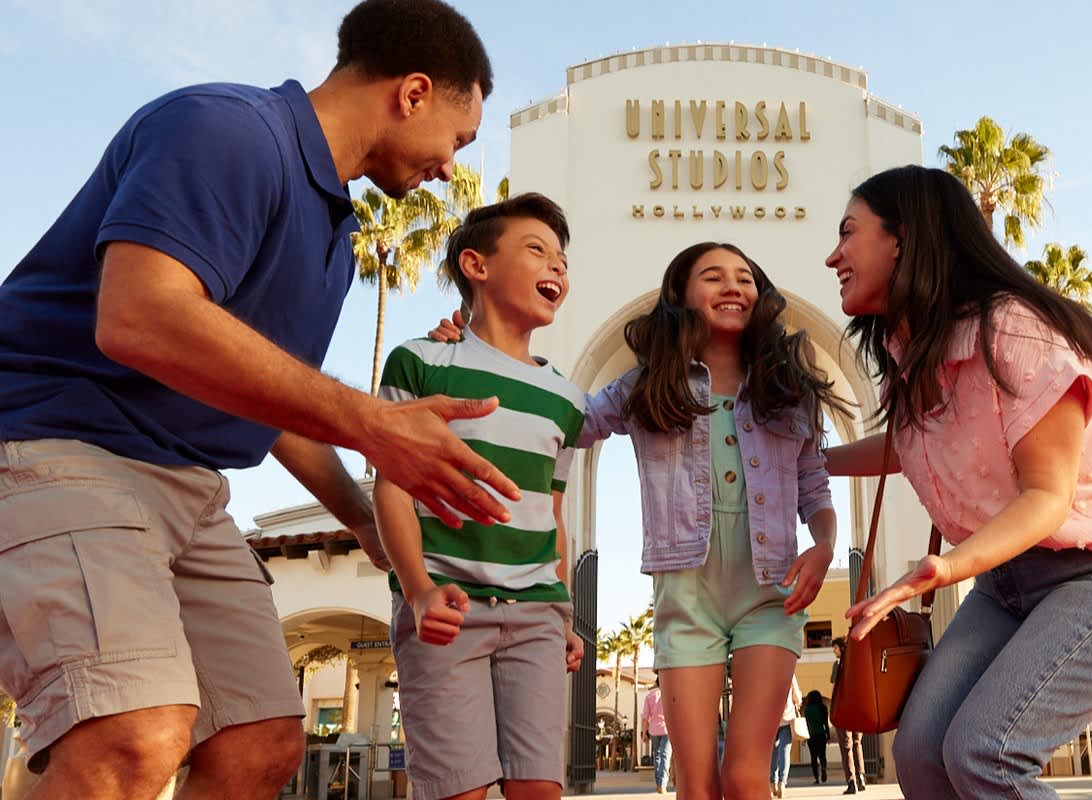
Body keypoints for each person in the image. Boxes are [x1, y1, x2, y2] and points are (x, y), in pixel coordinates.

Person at [0, 3, 517, 800]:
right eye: (461, 138)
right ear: (413, 92)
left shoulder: (335, 243)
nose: (452, 166)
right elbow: (139, 314)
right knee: (129, 732)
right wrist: (375, 425)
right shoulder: (225, 128)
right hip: (60, 444)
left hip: (192, 485)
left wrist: (365, 524)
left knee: (259, 742)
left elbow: (270, 400)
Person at [431, 241, 844, 800]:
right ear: (680, 296)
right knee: (695, 785)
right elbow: (565, 418)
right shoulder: (648, 385)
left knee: (747, 777)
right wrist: (473, 356)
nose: (733, 287)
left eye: (745, 278)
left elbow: (813, 484)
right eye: (714, 277)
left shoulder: (787, 390)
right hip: (686, 601)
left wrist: (823, 544)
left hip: (772, 596)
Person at [824, 164, 1092, 799]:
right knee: (920, 755)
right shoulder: (913, 355)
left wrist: (946, 568)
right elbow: (908, 446)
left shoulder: (1016, 331)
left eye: (849, 233)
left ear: (903, 238)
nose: (834, 256)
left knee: (986, 753)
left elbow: (1048, 498)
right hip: (1008, 584)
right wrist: (811, 461)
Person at [374, 193, 586, 800]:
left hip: (538, 619)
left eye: (563, 261)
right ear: (476, 265)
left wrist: (565, 614)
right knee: (456, 792)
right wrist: (416, 591)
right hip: (447, 611)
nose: (557, 269)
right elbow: (391, 487)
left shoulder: (565, 399)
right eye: (536, 250)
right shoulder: (419, 363)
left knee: (539, 790)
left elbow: (552, 511)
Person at [829, 638, 866, 794]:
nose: (834, 651)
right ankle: (861, 777)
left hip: (843, 708)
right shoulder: (858, 663)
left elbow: (834, 683)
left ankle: (851, 782)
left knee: (846, 745)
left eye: (835, 648)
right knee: (857, 743)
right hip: (858, 708)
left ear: (841, 649)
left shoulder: (838, 664)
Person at [769, 673, 802, 797]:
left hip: (771, 721)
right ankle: (783, 783)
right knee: (784, 752)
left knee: (772, 752)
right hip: (787, 718)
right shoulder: (789, 673)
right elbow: (797, 697)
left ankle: (773, 783)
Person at [643, 676, 672, 793]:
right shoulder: (670, 695)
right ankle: (662, 784)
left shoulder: (649, 696)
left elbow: (645, 717)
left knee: (657, 756)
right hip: (667, 730)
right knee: (665, 755)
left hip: (654, 730)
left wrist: (644, 733)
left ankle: (659, 783)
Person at [801, 691, 829, 785]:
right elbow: (825, 723)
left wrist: (804, 737)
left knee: (813, 757)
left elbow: (806, 724)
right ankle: (824, 769)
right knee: (822, 755)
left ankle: (816, 778)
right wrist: (828, 735)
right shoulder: (823, 708)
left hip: (811, 736)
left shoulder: (807, 709)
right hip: (821, 734)